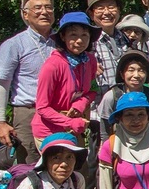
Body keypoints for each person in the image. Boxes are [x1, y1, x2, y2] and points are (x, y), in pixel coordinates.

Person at [0, 0, 57, 164]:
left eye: (48, 7)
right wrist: (0, 122)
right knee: (30, 166)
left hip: (59, 113)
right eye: (37, 8)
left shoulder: (60, 41)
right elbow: (2, 85)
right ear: (25, 14)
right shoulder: (14, 44)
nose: (44, 12)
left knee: (60, 165)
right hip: (29, 112)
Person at [33, 12, 100, 143]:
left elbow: (93, 89)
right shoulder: (53, 66)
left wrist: (81, 103)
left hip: (76, 127)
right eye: (73, 35)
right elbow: (42, 107)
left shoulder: (90, 60)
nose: (80, 40)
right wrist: (69, 122)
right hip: (49, 131)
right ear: (63, 36)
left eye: (84, 35)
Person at [96, 50, 149, 140]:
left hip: (148, 141)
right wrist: (106, 147)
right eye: (131, 70)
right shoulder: (112, 96)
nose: (136, 75)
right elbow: (105, 127)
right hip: (120, 142)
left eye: (141, 71)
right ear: (122, 74)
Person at [87, 0, 129, 95]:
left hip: (126, 106)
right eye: (100, 8)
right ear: (92, 15)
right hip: (98, 106)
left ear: (119, 11)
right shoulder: (87, 42)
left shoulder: (126, 39)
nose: (106, 12)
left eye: (111, 7)